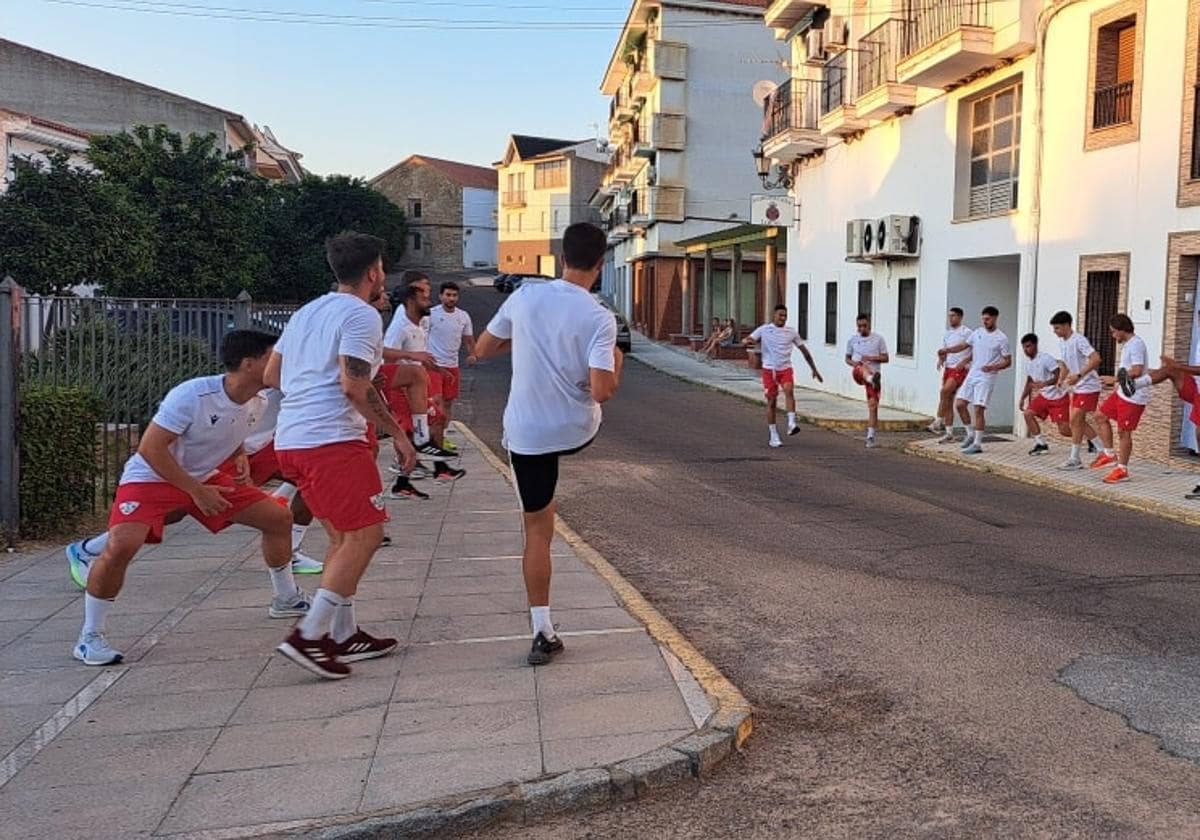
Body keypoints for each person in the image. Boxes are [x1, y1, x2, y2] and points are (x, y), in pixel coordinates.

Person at [72, 331, 307, 666]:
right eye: (274, 356)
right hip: (152, 475)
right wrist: (194, 491)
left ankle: (286, 598)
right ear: (249, 363)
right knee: (123, 545)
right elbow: (150, 448)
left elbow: (232, 430)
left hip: (203, 477)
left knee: (278, 518)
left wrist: (239, 455)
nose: (282, 363)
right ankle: (89, 636)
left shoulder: (259, 399)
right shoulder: (193, 395)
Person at [267, 231, 417, 680]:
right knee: (365, 537)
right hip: (330, 441)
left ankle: (344, 632)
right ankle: (310, 636)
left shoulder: (308, 312)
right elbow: (355, 386)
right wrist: (401, 436)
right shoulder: (361, 315)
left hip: (292, 438)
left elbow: (274, 373)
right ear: (373, 272)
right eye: (383, 269)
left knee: (341, 539)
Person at [474, 222, 621, 666]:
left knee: (537, 528)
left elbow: (482, 348)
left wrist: (527, 341)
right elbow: (601, 391)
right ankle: (550, 498)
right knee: (549, 502)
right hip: (577, 430)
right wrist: (616, 361)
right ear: (600, 264)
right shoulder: (599, 316)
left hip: (528, 434)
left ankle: (542, 630)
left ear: (561, 259)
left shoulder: (524, 296)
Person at [384, 281, 464, 492]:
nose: (429, 302)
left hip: (416, 384)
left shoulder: (417, 325)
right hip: (402, 387)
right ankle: (404, 469)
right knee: (407, 427)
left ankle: (430, 466)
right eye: (424, 298)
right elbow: (385, 356)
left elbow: (421, 356)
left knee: (437, 418)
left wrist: (436, 369)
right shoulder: (400, 327)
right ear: (411, 301)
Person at [743, 304, 822, 448]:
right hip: (769, 370)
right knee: (772, 402)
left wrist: (814, 369)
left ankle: (791, 423)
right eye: (780, 315)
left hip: (785, 368)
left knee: (789, 391)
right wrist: (747, 341)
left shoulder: (791, 332)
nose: (783, 318)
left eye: (785, 316)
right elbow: (749, 339)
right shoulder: (764, 330)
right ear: (774, 315)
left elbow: (804, 351)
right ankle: (773, 435)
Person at [940, 306, 1012, 455]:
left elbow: (1008, 361)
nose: (985, 322)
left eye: (987, 319)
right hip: (972, 374)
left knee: (978, 409)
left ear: (995, 318)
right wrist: (947, 350)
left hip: (986, 377)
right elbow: (964, 346)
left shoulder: (1002, 338)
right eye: (983, 319)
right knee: (959, 404)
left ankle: (978, 443)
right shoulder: (977, 333)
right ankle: (970, 434)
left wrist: (993, 367)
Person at [1091, 313, 1149, 483]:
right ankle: (1109, 454)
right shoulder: (1129, 344)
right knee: (1100, 416)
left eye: (1114, 332)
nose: (1112, 335)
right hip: (1122, 392)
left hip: (1134, 395)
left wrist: (1114, 379)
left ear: (1122, 330)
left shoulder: (1136, 345)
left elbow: (1137, 370)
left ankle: (1122, 469)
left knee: (1124, 432)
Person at [424, 280, 477, 451]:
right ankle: (432, 437)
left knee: (448, 403)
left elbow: (468, 339)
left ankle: (442, 436)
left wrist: (472, 353)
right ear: (440, 296)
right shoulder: (430, 315)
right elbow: (420, 336)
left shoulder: (463, 316)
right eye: (448, 295)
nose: (451, 298)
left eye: (454, 295)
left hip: (452, 365)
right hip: (433, 365)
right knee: (436, 401)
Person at [1050, 310, 1104, 470]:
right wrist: (1061, 379)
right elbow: (1066, 364)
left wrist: (1079, 375)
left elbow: (1096, 358)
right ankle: (1101, 450)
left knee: (1074, 420)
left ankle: (1075, 458)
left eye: (1058, 328)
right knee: (1077, 421)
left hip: (1089, 386)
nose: (1055, 332)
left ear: (1067, 325)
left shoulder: (1079, 340)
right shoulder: (1062, 343)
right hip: (1078, 387)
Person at [1019, 333, 1070, 456]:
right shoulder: (1028, 363)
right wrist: (1022, 397)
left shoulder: (1046, 359)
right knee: (1028, 414)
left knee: (1064, 431)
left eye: (1028, 346)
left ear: (1035, 345)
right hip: (1044, 396)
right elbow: (1029, 381)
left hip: (1058, 397)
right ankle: (1041, 444)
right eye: (1024, 347)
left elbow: (1058, 375)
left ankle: (1089, 436)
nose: (1026, 350)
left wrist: (1045, 383)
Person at [845, 314, 889, 449]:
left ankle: (870, 436)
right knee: (861, 367)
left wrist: (872, 357)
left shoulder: (878, 339)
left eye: (864, 326)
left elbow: (886, 358)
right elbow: (847, 358)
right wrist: (854, 363)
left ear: (869, 325)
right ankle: (870, 378)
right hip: (858, 372)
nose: (862, 328)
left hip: (874, 374)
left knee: (873, 406)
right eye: (859, 326)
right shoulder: (853, 340)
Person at [931, 307, 973, 441]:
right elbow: (945, 351)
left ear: (960, 317)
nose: (951, 318)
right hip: (949, 368)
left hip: (960, 369)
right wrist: (941, 359)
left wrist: (966, 360)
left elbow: (975, 350)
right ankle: (949, 432)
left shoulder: (967, 332)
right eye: (950, 316)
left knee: (944, 391)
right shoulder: (947, 333)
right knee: (948, 400)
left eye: (954, 316)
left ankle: (938, 421)